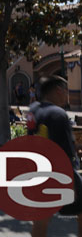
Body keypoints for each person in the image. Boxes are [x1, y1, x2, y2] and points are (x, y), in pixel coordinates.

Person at [27, 76, 82, 237]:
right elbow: (65, 151)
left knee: (41, 219)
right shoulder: (58, 114)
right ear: (59, 90)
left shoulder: (33, 110)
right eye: (66, 91)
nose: (67, 95)